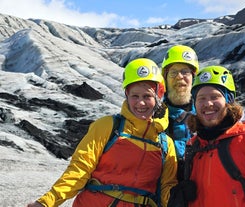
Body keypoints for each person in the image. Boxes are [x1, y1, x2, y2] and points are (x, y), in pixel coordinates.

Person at [27, 58, 178, 207]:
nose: (140, 103)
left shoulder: (165, 145)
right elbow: (80, 169)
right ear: (127, 95)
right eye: (135, 96)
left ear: (159, 95)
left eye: (147, 96)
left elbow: (167, 191)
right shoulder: (108, 126)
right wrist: (46, 203)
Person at [171, 65, 245, 206]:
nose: (208, 103)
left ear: (229, 100)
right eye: (201, 98)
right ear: (195, 104)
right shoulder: (194, 146)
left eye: (215, 97)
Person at [161, 44, 199, 180]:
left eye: (185, 71)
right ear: (165, 79)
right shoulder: (153, 119)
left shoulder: (209, 117)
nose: (179, 77)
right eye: (173, 72)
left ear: (193, 77)